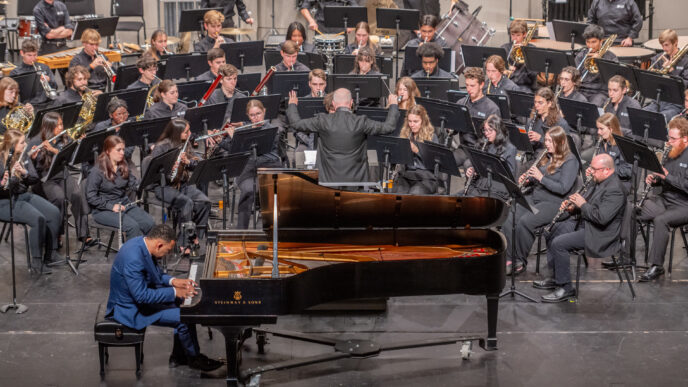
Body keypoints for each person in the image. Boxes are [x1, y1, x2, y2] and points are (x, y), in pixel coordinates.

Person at [105, 223, 223, 371]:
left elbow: (157, 274)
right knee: (184, 317)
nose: (167, 255)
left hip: (139, 300)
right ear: (159, 245)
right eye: (167, 251)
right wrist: (174, 292)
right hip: (131, 309)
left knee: (185, 305)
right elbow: (142, 297)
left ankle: (179, 355)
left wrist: (174, 281)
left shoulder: (144, 244)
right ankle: (194, 358)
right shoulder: (133, 258)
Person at [535, 153, 626, 302]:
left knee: (559, 243)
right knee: (552, 231)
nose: (590, 171)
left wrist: (582, 203)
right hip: (588, 224)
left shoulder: (615, 189)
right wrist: (574, 207)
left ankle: (566, 288)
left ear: (607, 170)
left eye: (594, 169)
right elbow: (590, 205)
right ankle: (556, 276)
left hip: (600, 234)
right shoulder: (599, 182)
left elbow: (601, 218)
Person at [503, 126, 580, 275]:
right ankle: (509, 258)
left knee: (525, 222)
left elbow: (563, 188)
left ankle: (520, 260)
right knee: (510, 218)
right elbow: (538, 177)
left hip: (556, 203)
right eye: (546, 140)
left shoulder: (570, 160)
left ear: (560, 142)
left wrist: (540, 178)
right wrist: (528, 179)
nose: (547, 144)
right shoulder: (546, 156)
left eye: (550, 141)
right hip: (537, 197)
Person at [286, 88, 399, 183]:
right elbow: (388, 127)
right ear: (351, 103)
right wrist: (393, 105)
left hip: (327, 182)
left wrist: (292, 105)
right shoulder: (361, 122)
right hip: (355, 183)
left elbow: (296, 123)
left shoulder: (323, 120)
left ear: (334, 104)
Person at [0, 129, 62, 272]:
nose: (25, 144)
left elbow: (34, 179)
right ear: (13, 145)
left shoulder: (23, 157)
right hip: (5, 201)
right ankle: (36, 262)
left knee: (53, 212)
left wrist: (24, 172)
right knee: (38, 218)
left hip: (22, 196)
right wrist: (3, 183)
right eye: (22, 142)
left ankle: (51, 254)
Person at [29, 111, 92, 247]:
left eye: (62, 124)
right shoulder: (35, 141)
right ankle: (56, 234)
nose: (61, 128)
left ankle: (83, 233)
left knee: (77, 194)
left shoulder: (64, 137)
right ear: (49, 127)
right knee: (59, 198)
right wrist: (33, 158)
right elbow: (30, 168)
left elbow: (70, 159)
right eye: (58, 125)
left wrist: (56, 149)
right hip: (46, 179)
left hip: (62, 174)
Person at [216, 100, 282, 229]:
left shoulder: (272, 130)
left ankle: (271, 231)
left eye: (258, 113)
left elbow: (262, 153)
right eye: (252, 115)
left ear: (264, 112)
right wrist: (219, 141)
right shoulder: (244, 129)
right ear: (248, 115)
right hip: (248, 169)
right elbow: (233, 149)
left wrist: (237, 138)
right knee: (248, 190)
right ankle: (242, 231)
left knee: (269, 190)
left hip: (270, 166)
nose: (256, 117)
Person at [637, 117, 688, 282]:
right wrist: (656, 179)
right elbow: (663, 177)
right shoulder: (671, 151)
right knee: (634, 208)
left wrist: (666, 175)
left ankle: (657, 266)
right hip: (666, 199)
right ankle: (625, 256)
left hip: (683, 204)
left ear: (685, 139)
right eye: (669, 138)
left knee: (661, 220)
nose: (669, 142)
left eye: (673, 139)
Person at [150, 119, 210, 251]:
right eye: (186, 132)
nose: (190, 134)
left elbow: (196, 162)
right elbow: (154, 172)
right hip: (164, 186)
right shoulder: (161, 146)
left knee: (204, 202)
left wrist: (188, 162)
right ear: (176, 133)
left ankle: (194, 236)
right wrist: (172, 167)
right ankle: (183, 243)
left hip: (181, 184)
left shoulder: (185, 143)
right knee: (186, 203)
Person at [86, 135, 154, 238]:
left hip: (123, 203)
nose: (122, 153)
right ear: (108, 151)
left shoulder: (123, 164)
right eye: (118, 150)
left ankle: (147, 252)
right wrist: (111, 206)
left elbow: (133, 184)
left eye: (123, 149)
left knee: (149, 223)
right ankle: (133, 253)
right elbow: (91, 196)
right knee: (133, 227)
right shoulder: (97, 171)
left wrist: (147, 180)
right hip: (103, 209)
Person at [463, 114, 518, 201]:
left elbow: (510, 175)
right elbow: (479, 165)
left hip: (497, 189)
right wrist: (474, 169)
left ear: (498, 131)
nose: (486, 133)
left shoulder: (510, 148)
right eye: (485, 130)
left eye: (490, 130)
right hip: (482, 184)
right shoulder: (484, 144)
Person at [452, 67, 500, 161]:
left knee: (469, 167)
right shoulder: (461, 103)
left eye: (472, 86)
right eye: (467, 85)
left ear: (481, 85)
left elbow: (495, 138)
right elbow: (454, 131)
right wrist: (451, 126)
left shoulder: (492, 108)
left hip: (482, 151)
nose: (469, 89)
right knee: (446, 163)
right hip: (464, 148)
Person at [643, 29, 688, 121]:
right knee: (641, 114)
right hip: (658, 100)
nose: (664, 48)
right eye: (662, 45)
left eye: (666, 45)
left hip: (676, 103)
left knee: (660, 119)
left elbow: (684, 85)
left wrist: (671, 71)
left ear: (675, 43)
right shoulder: (658, 59)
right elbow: (650, 80)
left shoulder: (686, 61)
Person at [393, 105, 438, 194]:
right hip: (407, 175)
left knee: (414, 194)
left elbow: (435, 162)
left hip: (426, 178)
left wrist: (416, 150)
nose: (412, 125)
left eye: (415, 121)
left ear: (423, 121)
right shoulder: (405, 134)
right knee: (398, 193)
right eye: (409, 121)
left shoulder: (432, 137)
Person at [576, 24, 618, 106]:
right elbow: (575, 75)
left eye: (593, 42)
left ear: (601, 41)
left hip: (601, 91)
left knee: (593, 107)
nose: (590, 46)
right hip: (582, 90)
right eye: (588, 42)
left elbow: (614, 79)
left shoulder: (611, 57)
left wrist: (600, 62)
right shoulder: (581, 55)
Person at [9, 39, 58, 109]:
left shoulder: (44, 67)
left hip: (47, 103)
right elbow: (13, 96)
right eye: (29, 55)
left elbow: (55, 87)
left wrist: (49, 80)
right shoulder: (15, 73)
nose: (33, 58)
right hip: (28, 106)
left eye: (35, 55)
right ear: (22, 53)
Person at [592, 113, 632, 188]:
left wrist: (606, 170)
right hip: (603, 182)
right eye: (598, 128)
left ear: (611, 129)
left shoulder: (623, 146)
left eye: (601, 129)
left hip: (618, 184)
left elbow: (627, 171)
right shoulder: (601, 142)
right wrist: (594, 169)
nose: (598, 132)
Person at [502, 19, 537, 92]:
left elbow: (533, 75)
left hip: (525, 86)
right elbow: (497, 68)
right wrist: (506, 68)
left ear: (524, 34)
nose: (515, 38)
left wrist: (524, 54)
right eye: (512, 35)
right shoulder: (504, 48)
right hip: (507, 83)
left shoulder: (532, 49)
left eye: (518, 35)